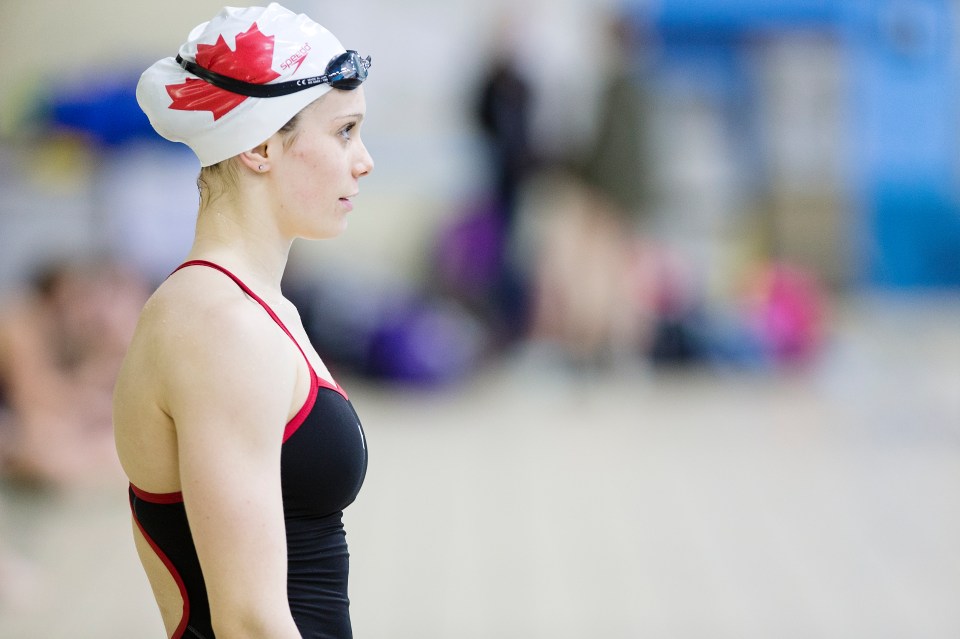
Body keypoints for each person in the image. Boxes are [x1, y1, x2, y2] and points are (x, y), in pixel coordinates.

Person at [112, 4, 374, 638]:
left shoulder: (253, 305)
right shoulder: (219, 325)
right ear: (259, 146)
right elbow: (250, 622)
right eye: (344, 131)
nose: (363, 161)